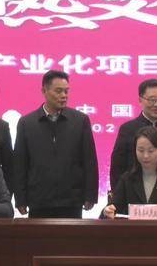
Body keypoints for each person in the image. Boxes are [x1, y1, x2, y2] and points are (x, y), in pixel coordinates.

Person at [13, 70, 99, 218]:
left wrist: (90, 195)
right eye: (58, 91)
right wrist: (20, 198)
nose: (64, 95)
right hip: (39, 200)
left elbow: (89, 160)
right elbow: (20, 164)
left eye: (66, 91)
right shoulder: (27, 123)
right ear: (44, 91)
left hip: (71, 200)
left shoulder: (80, 120)